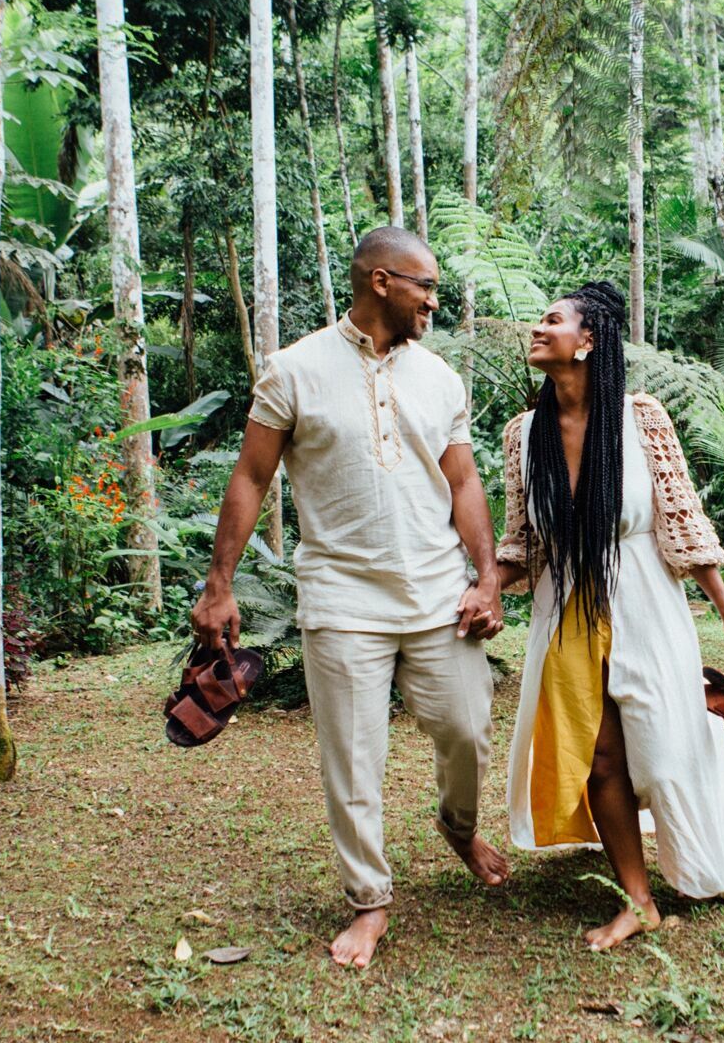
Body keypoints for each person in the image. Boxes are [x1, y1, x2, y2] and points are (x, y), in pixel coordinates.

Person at [189, 226, 509, 970]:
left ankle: (458, 826)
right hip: (340, 597)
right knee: (354, 759)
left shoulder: (440, 378)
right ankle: (370, 900)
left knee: (468, 729)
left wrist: (487, 576)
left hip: (437, 593)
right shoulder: (293, 370)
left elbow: (464, 481)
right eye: (425, 286)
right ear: (380, 282)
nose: (434, 300)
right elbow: (251, 477)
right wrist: (219, 584)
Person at [495, 280, 724, 951]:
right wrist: (479, 589)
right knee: (599, 755)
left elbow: (682, 520)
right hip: (566, 610)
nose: (538, 329)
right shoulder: (522, 436)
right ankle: (637, 900)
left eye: (553, 320)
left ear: (588, 340)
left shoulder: (640, 418)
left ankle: (697, 859)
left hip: (644, 598)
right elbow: (521, 543)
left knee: (667, 750)